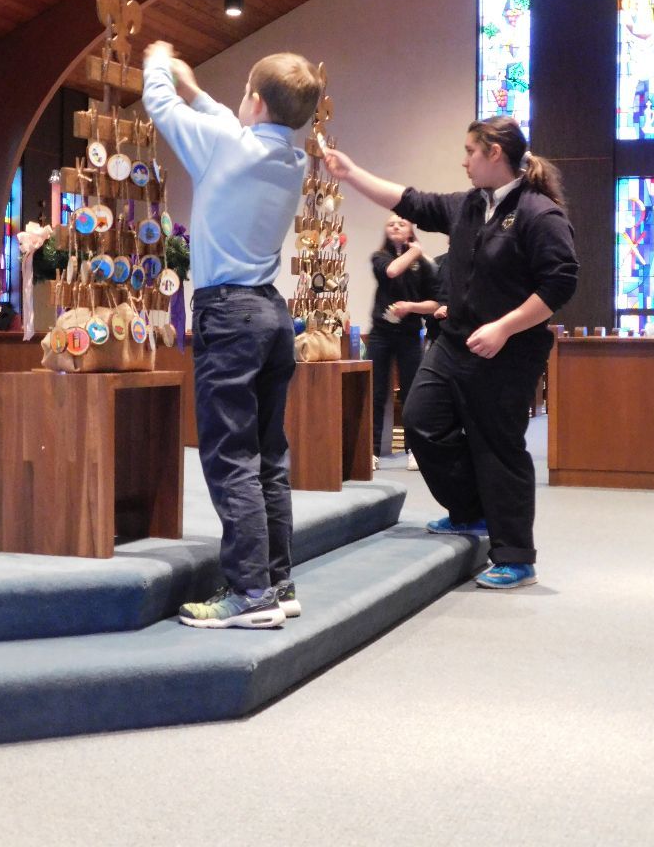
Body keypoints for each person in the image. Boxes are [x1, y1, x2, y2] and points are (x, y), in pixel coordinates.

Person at [325, 115, 578, 590]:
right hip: (454, 342)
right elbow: (410, 200)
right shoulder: (467, 206)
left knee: (497, 445)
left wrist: (503, 328)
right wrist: (351, 173)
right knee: (421, 420)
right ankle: (470, 511)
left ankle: (516, 556)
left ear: (494, 154)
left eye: (470, 151)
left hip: (508, 349)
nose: (463, 161)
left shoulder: (538, 213)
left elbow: (561, 283)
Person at [143, 41, 321, 629]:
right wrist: (198, 90)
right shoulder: (290, 159)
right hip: (272, 315)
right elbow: (227, 125)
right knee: (269, 455)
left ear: (256, 101)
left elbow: (161, 109)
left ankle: (248, 594)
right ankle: (277, 579)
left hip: (229, 314)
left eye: (245, 93)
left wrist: (158, 62)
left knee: (231, 457)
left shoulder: (226, 146)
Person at [368, 216, 438, 473]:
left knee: (411, 393)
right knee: (376, 392)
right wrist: (415, 251)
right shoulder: (379, 257)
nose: (395, 227)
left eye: (402, 223)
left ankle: (414, 450)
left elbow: (436, 303)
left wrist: (411, 307)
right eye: (390, 224)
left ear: (411, 229)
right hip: (381, 334)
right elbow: (392, 271)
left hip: (409, 334)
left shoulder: (424, 264)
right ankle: (372, 451)